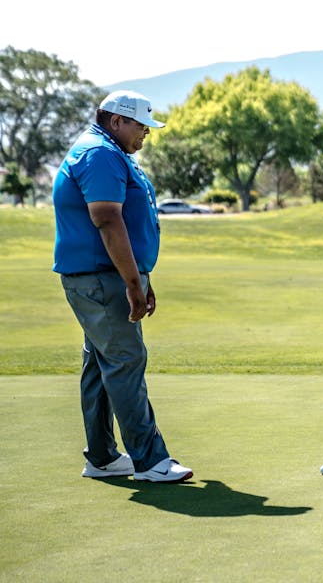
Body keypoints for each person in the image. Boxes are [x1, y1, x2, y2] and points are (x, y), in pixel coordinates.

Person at [52, 90, 192, 483]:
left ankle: (102, 457)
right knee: (126, 361)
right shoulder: (99, 154)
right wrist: (132, 282)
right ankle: (149, 461)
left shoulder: (110, 153)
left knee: (100, 364)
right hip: (101, 277)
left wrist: (141, 276)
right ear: (116, 121)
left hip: (106, 275)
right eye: (140, 126)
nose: (145, 134)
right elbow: (107, 220)